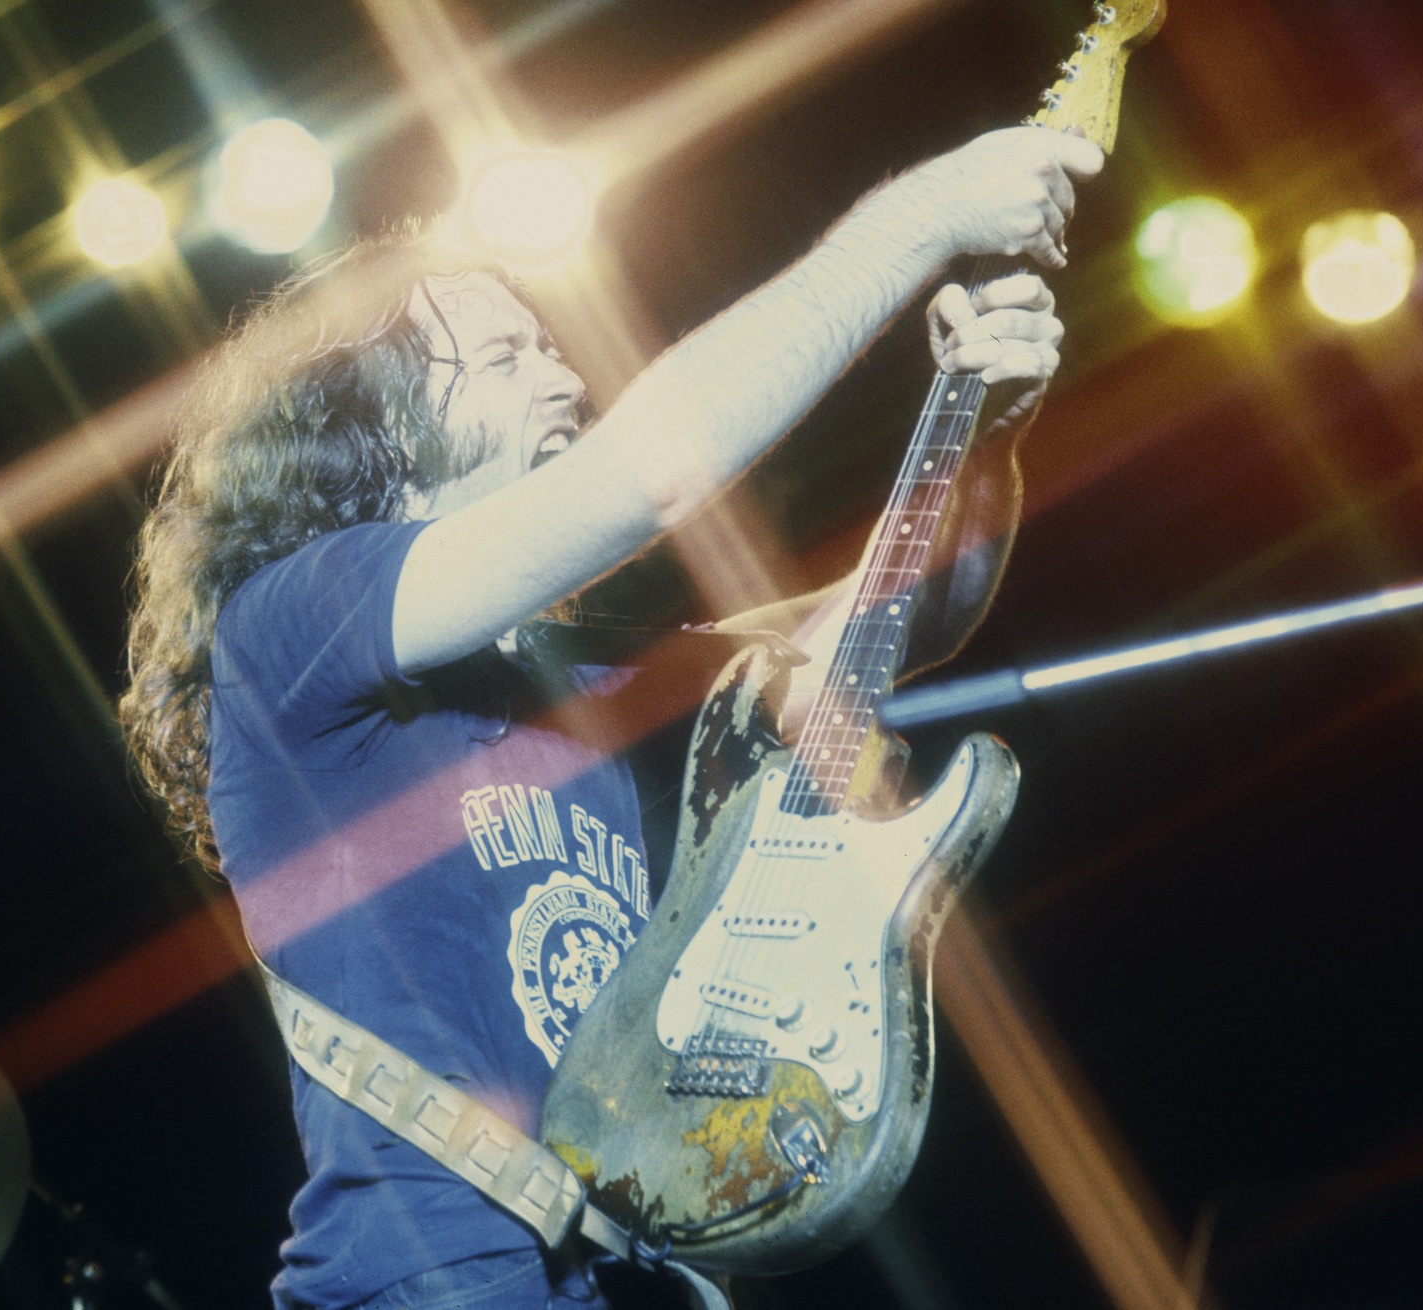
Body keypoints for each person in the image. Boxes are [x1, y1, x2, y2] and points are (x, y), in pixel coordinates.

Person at [120, 125, 1103, 1309]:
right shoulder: (296, 623)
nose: (567, 380)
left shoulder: (581, 679)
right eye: (502, 354)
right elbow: (650, 472)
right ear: (367, 419)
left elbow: (901, 615)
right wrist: (915, 219)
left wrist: (982, 435)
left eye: (551, 347)